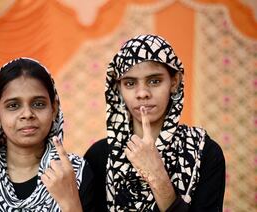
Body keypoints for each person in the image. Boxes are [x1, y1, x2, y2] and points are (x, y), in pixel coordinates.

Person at [84, 34, 225, 211]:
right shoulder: (98, 157)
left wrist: (157, 175)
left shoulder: (205, 153)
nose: (142, 93)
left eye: (154, 81)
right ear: (118, 89)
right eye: (129, 83)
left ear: (174, 82)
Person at [0, 58, 95, 211]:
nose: (27, 114)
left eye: (38, 104)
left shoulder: (76, 172)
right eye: (13, 105)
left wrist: (70, 203)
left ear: (54, 109)